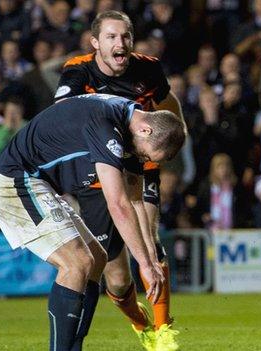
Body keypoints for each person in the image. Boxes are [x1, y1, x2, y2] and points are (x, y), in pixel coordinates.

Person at [0, 94, 185, 351]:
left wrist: (150, 258)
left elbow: (135, 202)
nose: (145, 160)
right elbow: (118, 204)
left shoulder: (125, 121)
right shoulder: (107, 125)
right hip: (14, 180)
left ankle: (74, 345)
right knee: (77, 262)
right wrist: (143, 264)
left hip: (37, 183)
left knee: (96, 258)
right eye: (148, 155)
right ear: (146, 129)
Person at [54, 10, 185, 351]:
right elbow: (63, 111)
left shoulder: (148, 68)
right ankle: (139, 321)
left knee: (148, 236)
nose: (120, 43)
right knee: (117, 277)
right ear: (95, 43)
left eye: (125, 36)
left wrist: (175, 135)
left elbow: (167, 103)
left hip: (141, 160)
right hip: (101, 168)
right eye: (111, 37)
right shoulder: (77, 69)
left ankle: (163, 328)